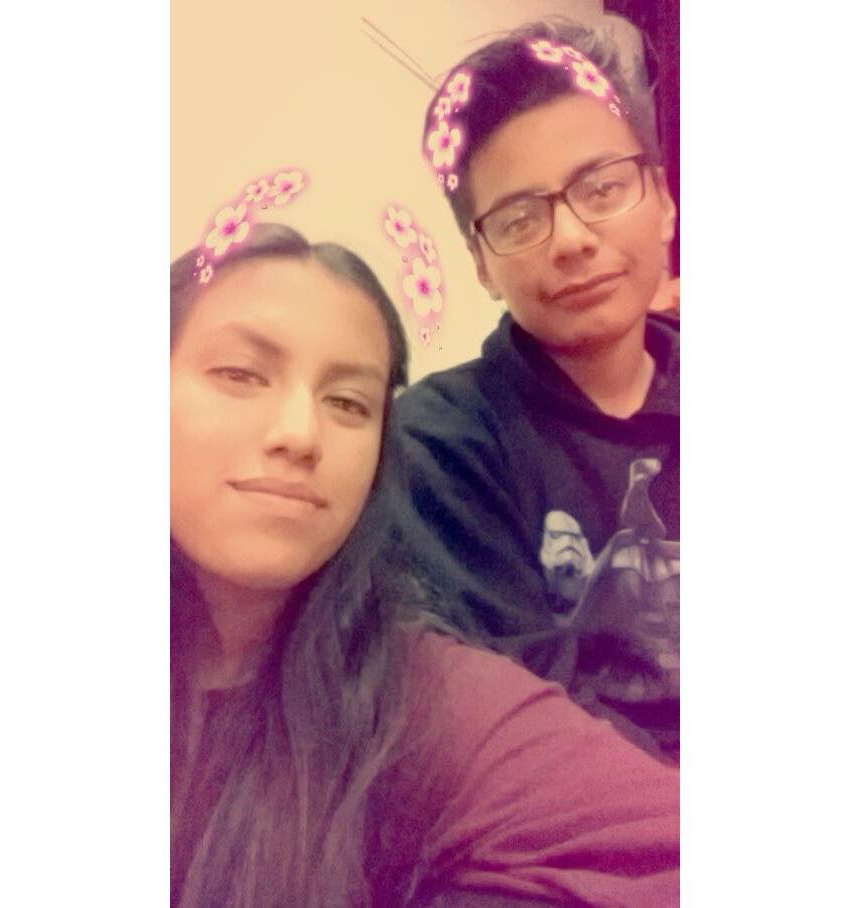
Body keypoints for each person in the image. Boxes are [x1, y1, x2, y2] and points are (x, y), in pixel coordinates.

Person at [170, 221, 679, 906]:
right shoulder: (466, 429)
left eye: (348, 402)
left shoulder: (424, 705)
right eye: (239, 374)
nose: (299, 434)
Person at [392, 19, 680, 763]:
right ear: (481, 264)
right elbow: (525, 728)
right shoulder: (441, 444)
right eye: (520, 219)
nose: (573, 239)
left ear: (664, 200)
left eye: (603, 188)